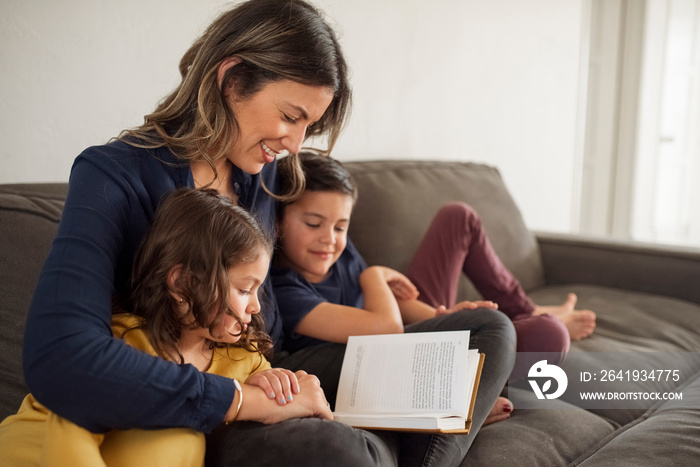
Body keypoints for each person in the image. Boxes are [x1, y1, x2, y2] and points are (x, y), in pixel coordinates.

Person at [0, 188, 332, 466]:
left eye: (258, 290)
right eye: (244, 289)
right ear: (183, 284)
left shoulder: (244, 361)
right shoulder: (124, 343)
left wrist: (275, 384)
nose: (257, 306)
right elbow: (69, 423)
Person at [272, 152, 517, 464]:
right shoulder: (284, 289)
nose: (330, 240)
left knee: (484, 328)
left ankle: (464, 405)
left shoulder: (341, 256)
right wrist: (374, 275)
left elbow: (396, 306)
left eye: (340, 227)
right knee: (494, 326)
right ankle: (460, 410)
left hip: (387, 373)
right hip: (350, 381)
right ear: (278, 222)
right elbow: (387, 329)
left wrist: (443, 318)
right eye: (314, 223)